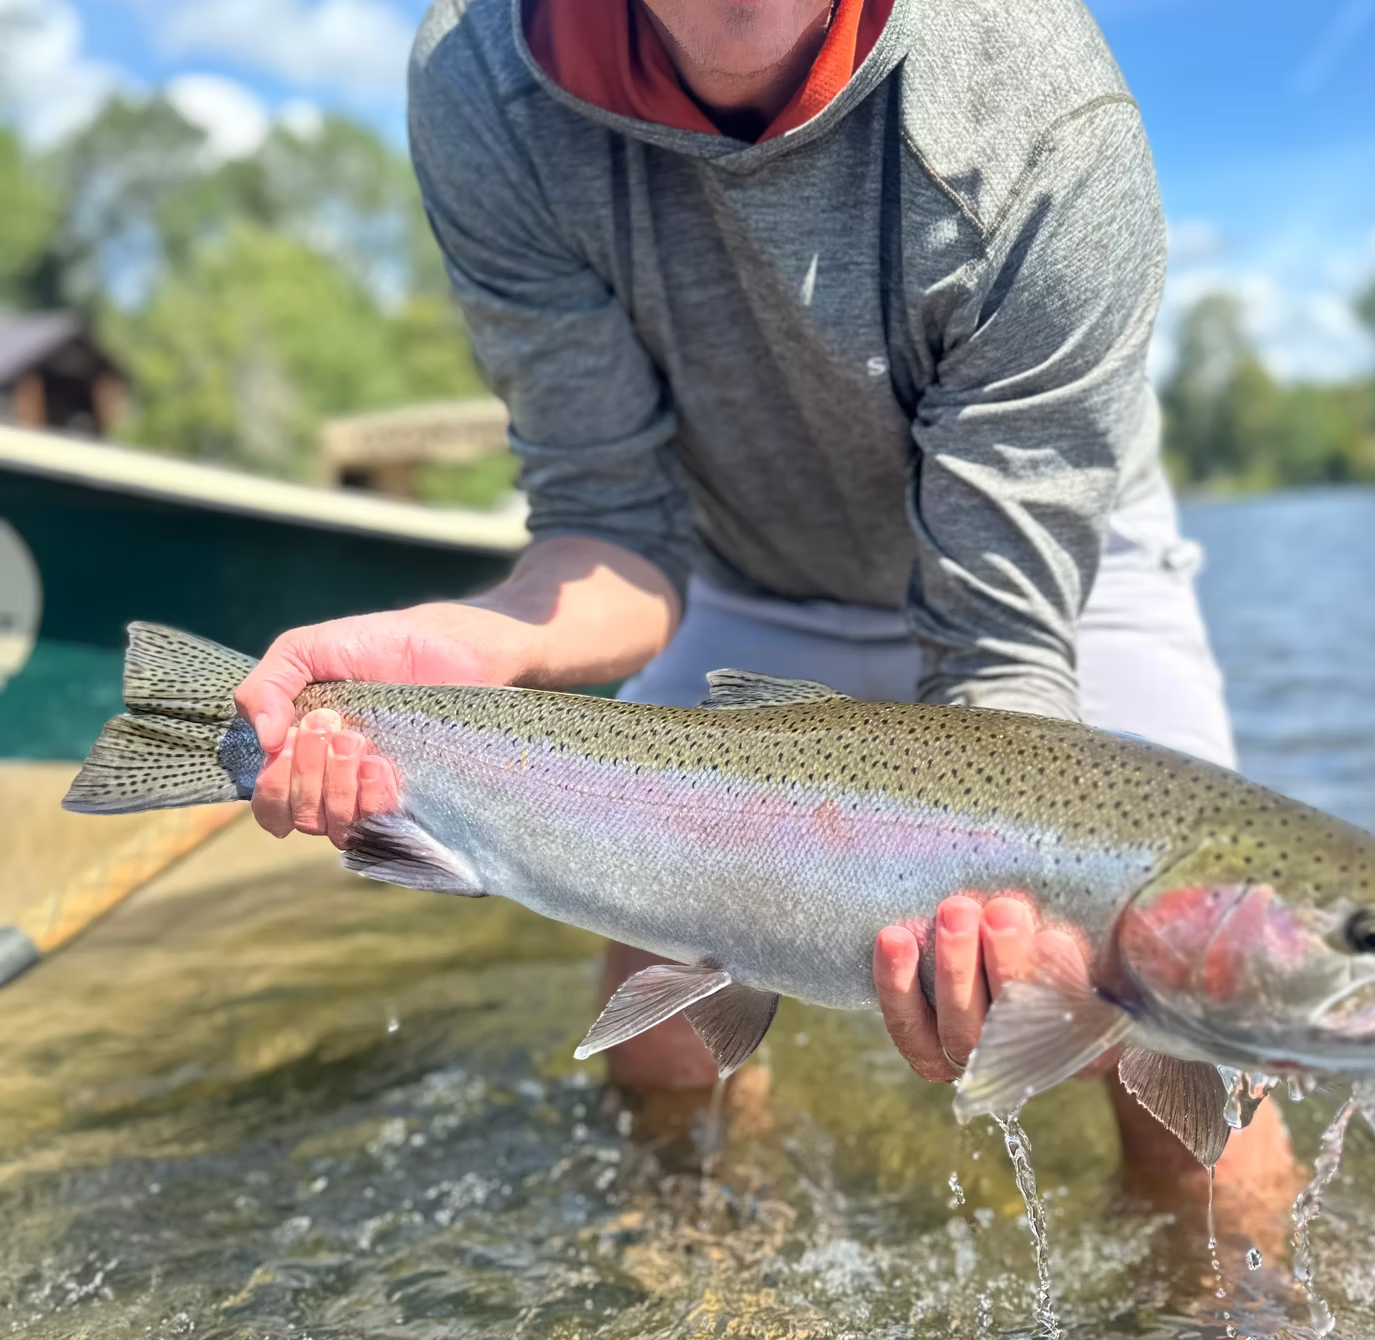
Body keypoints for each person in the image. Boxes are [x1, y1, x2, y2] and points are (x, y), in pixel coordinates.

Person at [235, 0, 1292, 1190]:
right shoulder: (488, 77)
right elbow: (613, 526)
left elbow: (1004, 653)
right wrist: (483, 642)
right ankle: (708, 1318)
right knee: (659, 1030)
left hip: (1046, 578)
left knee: (1195, 1042)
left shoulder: (1047, 117)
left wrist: (1037, 943)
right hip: (735, 557)